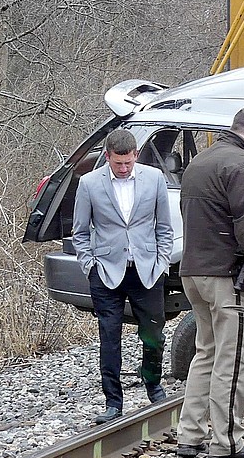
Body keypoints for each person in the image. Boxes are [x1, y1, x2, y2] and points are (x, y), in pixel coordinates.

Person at [175, 106, 244, 458]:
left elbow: (214, 211)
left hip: (194, 271)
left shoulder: (200, 163)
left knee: (206, 352)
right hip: (227, 277)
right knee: (234, 358)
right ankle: (228, 442)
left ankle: (189, 436)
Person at [72, 129, 173, 423]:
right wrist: (89, 265)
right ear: (108, 157)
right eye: (118, 163)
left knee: (153, 333)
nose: (124, 168)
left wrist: (161, 261)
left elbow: (164, 227)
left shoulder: (154, 179)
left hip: (147, 270)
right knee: (109, 337)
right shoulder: (90, 184)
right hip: (106, 271)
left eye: (128, 162)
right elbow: (79, 231)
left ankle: (153, 384)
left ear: (136, 156)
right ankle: (113, 401)